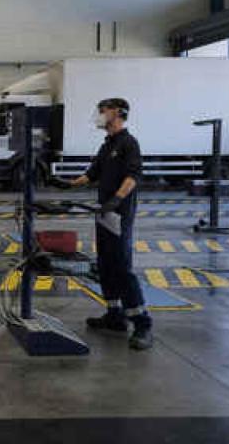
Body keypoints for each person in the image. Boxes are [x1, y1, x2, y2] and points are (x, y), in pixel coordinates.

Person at [51, 98, 153, 351]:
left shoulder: (129, 143)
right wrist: (65, 183)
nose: (98, 115)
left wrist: (117, 199)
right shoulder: (107, 145)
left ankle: (142, 323)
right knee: (106, 264)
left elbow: (133, 176)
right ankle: (114, 315)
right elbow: (91, 174)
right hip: (104, 213)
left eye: (102, 111)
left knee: (121, 266)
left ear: (118, 113)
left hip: (119, 214)